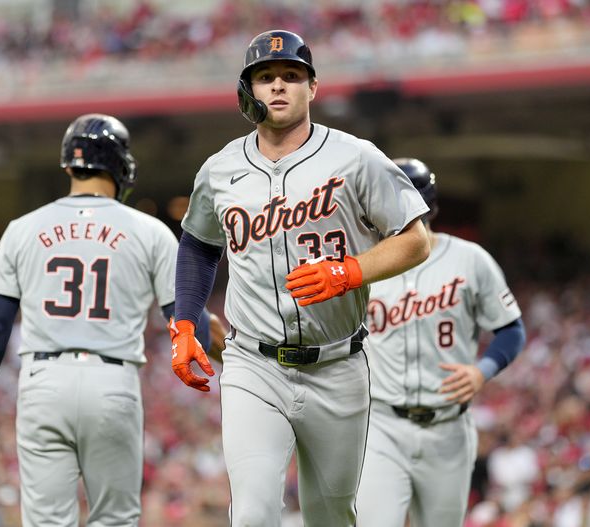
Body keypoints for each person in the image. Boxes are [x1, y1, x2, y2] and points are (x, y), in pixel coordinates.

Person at [168, 30, 431, 526]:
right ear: (249, 92)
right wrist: (184, 323)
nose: (279, 86)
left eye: (292, 75)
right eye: (265, 77)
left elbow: (415, 239)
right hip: (253, 364)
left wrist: (351, 270)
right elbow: (199, 247)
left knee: (331, 515)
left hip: (338, 365)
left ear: (313, 87)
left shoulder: (356, 156)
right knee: (251, 513)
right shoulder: (220, 169)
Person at [0, 113, 222, 526]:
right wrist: (209, 330)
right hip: (112, 383)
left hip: (43, 381)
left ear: (68, 166)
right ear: (120, 166)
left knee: (46, 522)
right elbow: (188, 323)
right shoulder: (149, 231)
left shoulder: (23, 228)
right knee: (114, 520)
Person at [356, 158, 527, 527]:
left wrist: (483, 371)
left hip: (448, 427)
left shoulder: (470, 259)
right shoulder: (363, 265)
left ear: (428, 207)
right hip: (381, 426)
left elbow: (512, 330)